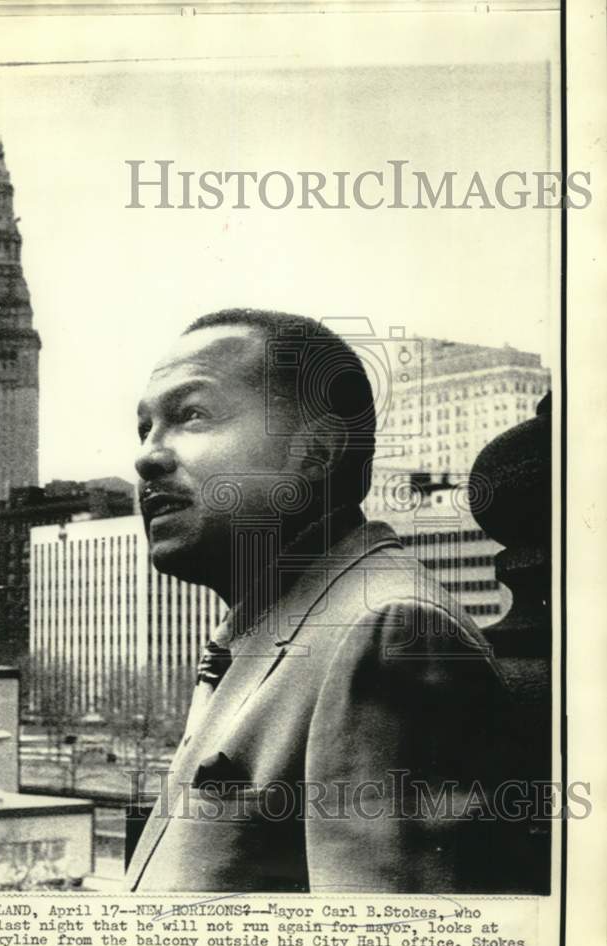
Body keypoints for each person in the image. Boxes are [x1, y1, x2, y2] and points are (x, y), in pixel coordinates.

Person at [124, 308, 521, 894]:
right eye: (145, 428)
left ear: (316, 453)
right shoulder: (275, 622)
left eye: (192, 415)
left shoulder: (386, 631)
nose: (148, 456)